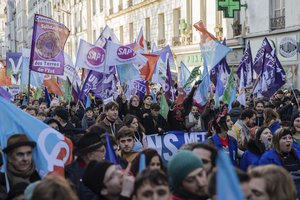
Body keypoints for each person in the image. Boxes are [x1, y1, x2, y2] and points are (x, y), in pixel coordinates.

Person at [65, 130, 106, 200]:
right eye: (102, 151)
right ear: (90, 155)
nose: (104, 155)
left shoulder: (101, 169)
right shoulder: (71, 175)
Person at [0, 134, 41, 200]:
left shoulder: (42, 176)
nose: (25, 159)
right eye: (20, 154)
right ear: (9, 158)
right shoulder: (2, 181)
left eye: (29, 153)